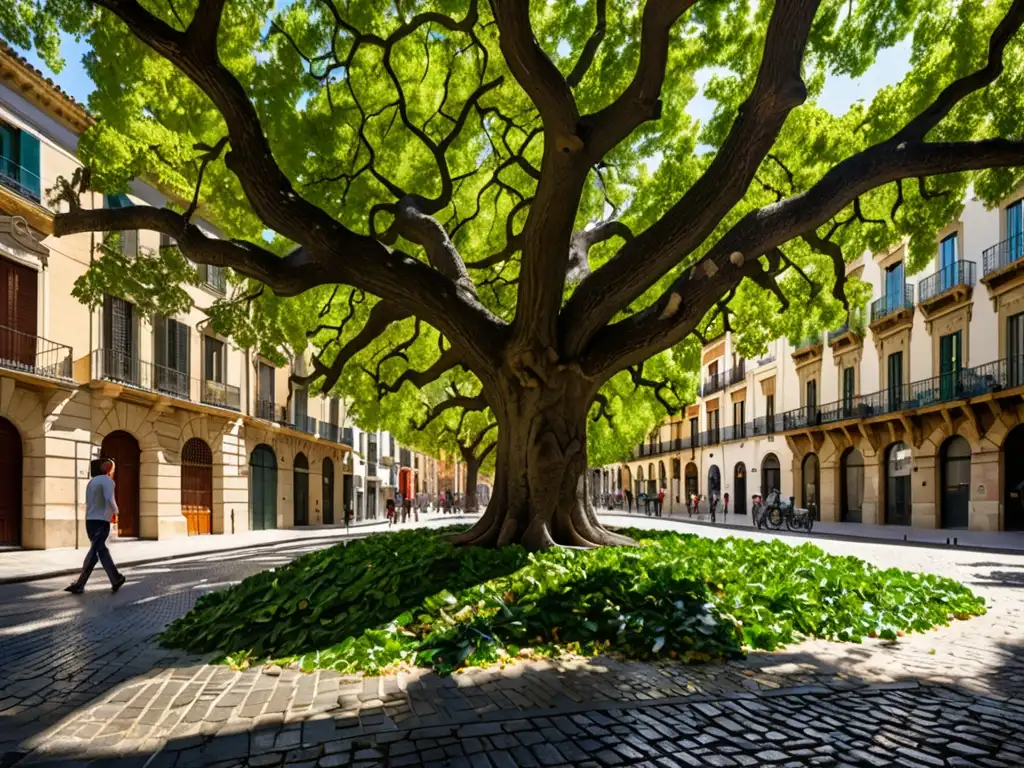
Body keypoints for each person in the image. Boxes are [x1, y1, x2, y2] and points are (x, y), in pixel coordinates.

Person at [65, 459, 126, 594]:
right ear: (107, 468)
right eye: (112, 468)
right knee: (96, 551)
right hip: (101, 521)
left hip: (90, 520)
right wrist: (116, 512)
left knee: (99, 550)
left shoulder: (91, 482)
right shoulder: (107, 481)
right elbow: (110, 498)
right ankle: (83, 583)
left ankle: (113, 579)